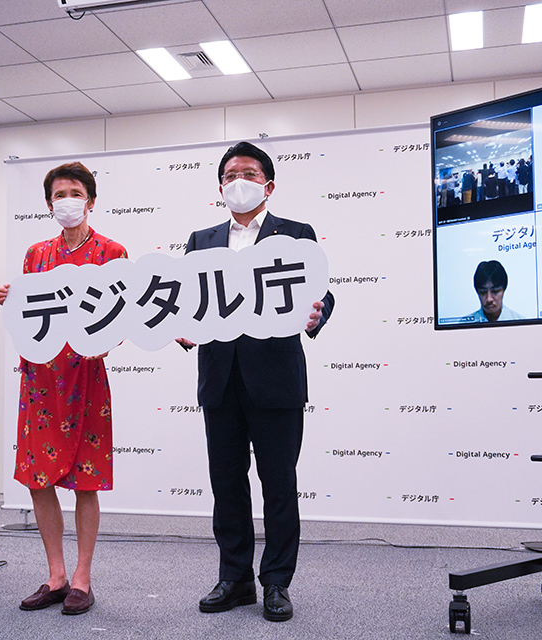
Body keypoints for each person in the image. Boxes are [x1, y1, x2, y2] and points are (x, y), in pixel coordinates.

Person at [178, 142, 333, 623]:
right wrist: (179, 329)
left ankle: (277, 582)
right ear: (219, 187)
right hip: (220, 379)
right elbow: (188, 302)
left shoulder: (296, 234)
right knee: (226, 483)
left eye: (247, 172)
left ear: (268, 183)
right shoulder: (200, 240)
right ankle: (235, 577)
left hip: (276, 377)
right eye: (228, 175)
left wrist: (315, 315)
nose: (237, 181)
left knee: (279, 484)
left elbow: (321, 296)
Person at [0, 161, 127, 616]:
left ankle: (82, 579)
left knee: (84, 481)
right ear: (49, 204)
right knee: (38, 478)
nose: (66, 201)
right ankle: (55, 575)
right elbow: (30, 315)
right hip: (40, 379)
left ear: (90, 200)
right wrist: (10, 299)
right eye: (58, 194)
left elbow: (120, 318)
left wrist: (100, 341)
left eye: (74, 192)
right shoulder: (36, 254)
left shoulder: (112, 251)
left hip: (85, 377)